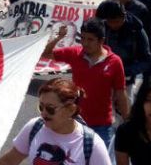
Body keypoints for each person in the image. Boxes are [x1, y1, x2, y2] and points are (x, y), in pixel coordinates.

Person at [41, 18, 130, 150]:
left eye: (90, 39)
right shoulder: (75, 53)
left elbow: (120, 94)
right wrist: (59, 37)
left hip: (102, 127)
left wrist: (128, 120)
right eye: (82, 38)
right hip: (75, 123)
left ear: (101, 40)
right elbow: (45, 53)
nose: (85, 43)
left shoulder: (115, 62)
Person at [96, 0, 151, 103]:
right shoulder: (101, 29)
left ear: (124, 16)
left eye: (116, 21)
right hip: (104, 79)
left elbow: (146, 60)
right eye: (110, 22)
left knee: (127, 108)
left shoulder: (136, 31)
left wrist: (125, 71)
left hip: (128, 79)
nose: (113, 25)